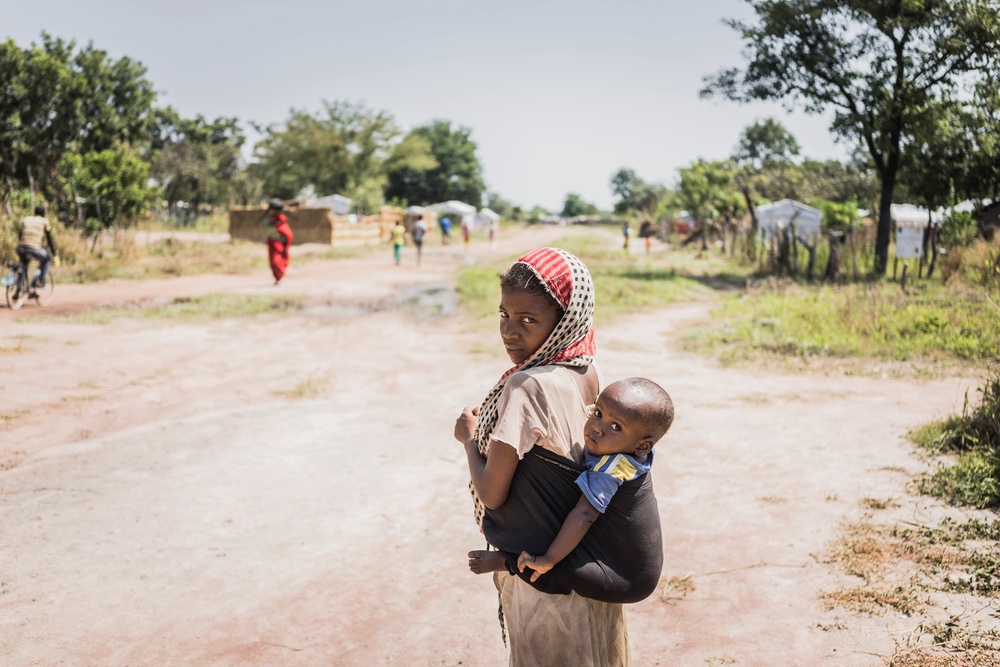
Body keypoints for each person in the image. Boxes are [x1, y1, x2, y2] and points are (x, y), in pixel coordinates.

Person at [455, 247, 634, 666]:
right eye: (504, 315)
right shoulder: (590, 371)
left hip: (540, 577)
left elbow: (493, 494)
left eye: (529, 320)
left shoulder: (527, 386)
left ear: (566, 319)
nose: (510, 332)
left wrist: (467, 440)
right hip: (586, 565)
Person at [515, 378, 673, 582]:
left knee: (549, 571)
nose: (597, 427)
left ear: (643, 446)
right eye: (598, 413)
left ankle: (506, 561)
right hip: (636, 563)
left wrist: (549, 558)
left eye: (616, 426)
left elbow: (585, 514)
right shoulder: (631, 448)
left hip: (626, 575)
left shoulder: (609, 470)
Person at [16, 206, 59, 288]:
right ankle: (41, 281)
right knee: (47, 258)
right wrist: (54, 252)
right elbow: (49, 240)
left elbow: (20, 235)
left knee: (23, 264)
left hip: (21, 248)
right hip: (34, 248)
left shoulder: (26, 219)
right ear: (43, 214)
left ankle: (19, 287)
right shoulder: (44, 221)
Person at [261, 199, 293, 284]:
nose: (271, 212)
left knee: (277, 261)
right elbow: (262, 224)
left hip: (279, 245)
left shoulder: (281, 220)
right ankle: (277, 277)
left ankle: (279, 277)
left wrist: (278, 238)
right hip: (272, 244)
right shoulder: (272, 221)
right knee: (272, 261)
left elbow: (286, 234)